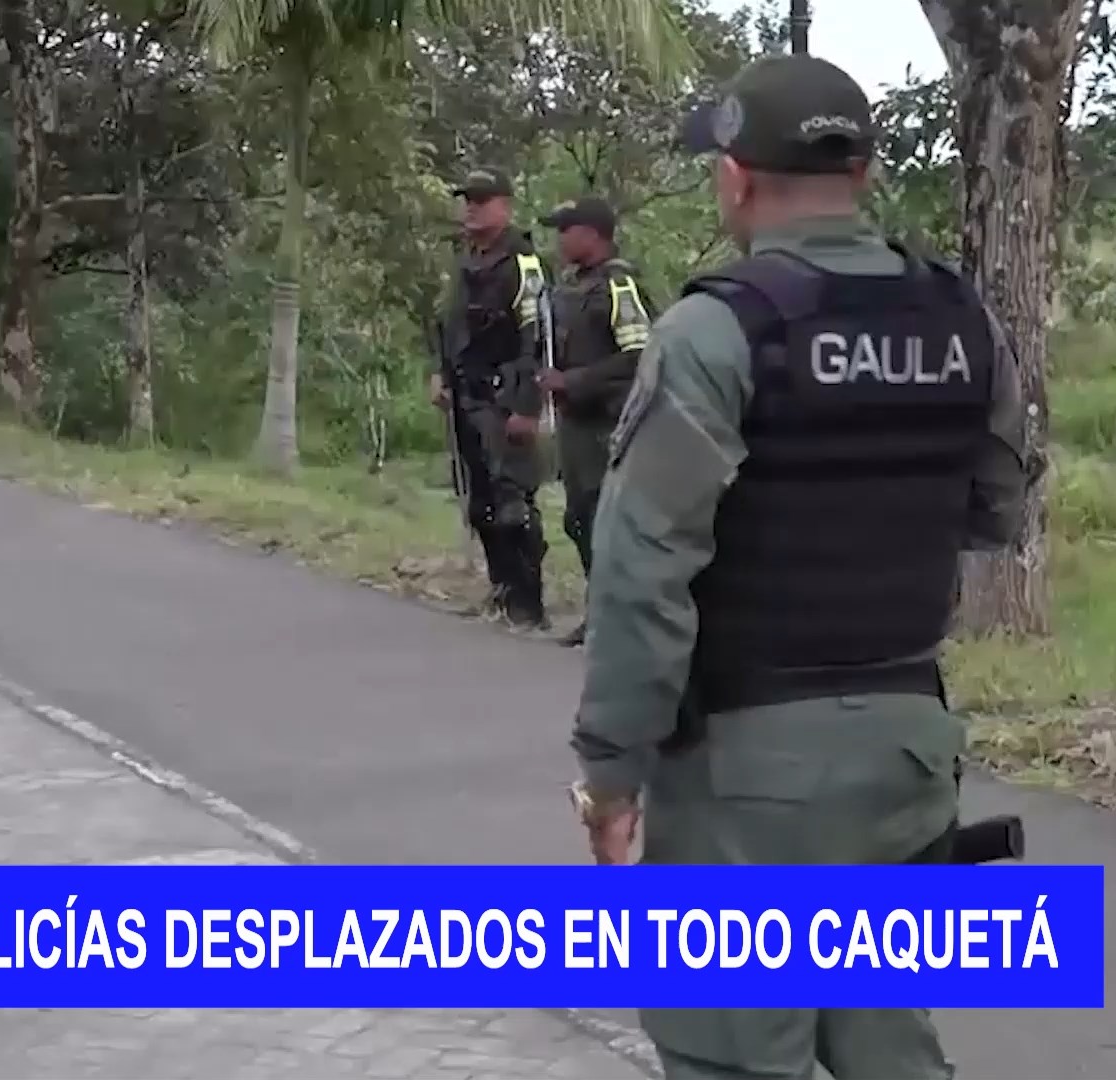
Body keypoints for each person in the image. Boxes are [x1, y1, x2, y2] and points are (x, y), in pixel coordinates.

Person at [567, 55, 1032, 1080]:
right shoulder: (963, 321)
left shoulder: (715, 330)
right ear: (861, 172)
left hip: (746, 769)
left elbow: (643, 575)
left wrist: (611, 772)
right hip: (907, 751)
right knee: (885, 1043)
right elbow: (995, 508)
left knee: (734, 1052)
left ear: (735, 178)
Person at [431, 166, 551, 629]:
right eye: (467, 201)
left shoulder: (524, 263)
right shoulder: (466, 261)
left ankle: (529, 604)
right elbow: (450, 325)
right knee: (479, 501)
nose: (471, 209)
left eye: (481, 201)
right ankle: (502, 590)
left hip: (505, 398)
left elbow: (537, 338)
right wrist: (441, 374)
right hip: (466, 395)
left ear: (505, 206)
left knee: (512, 502)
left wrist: (527, 407)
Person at [535, 196, 653, 646]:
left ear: (591, 234)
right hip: (577, 427)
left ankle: (625, 622)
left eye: (566, 230)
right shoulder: (571, 288)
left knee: (612, 524)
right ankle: (600, 612)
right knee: (580, 520)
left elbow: (641, 354)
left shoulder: (619, 286)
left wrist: (573, 380)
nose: (559, 239)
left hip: (611, 426)